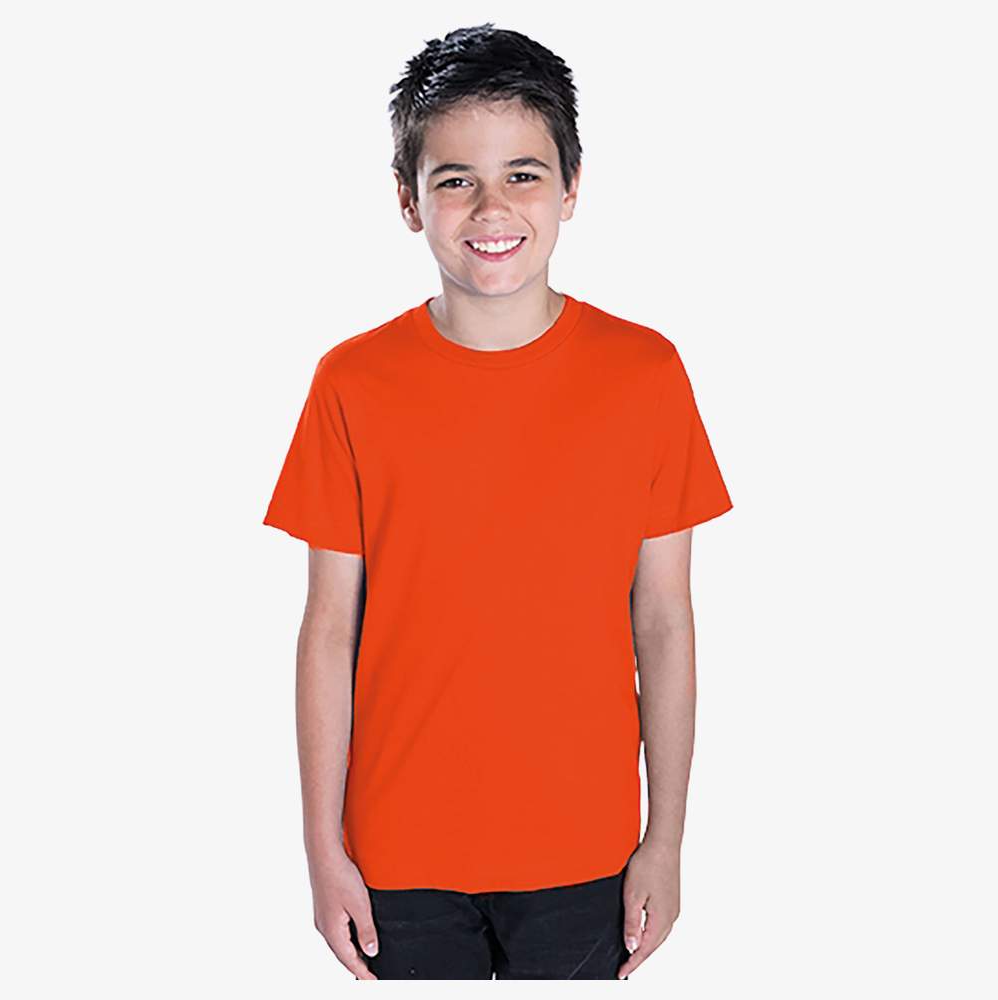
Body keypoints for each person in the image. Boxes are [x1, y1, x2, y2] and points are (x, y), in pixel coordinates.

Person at [262, 23, 733, 981]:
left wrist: (667, 838)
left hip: (586, 851)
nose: (491, 207)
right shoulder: (352, 383)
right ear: (408, 199)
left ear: (571, 186)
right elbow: (328, 630)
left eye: (523, 173)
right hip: (396, 851)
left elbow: (664, 622)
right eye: (455, 179)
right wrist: (321, 849)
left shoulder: (645, 374)